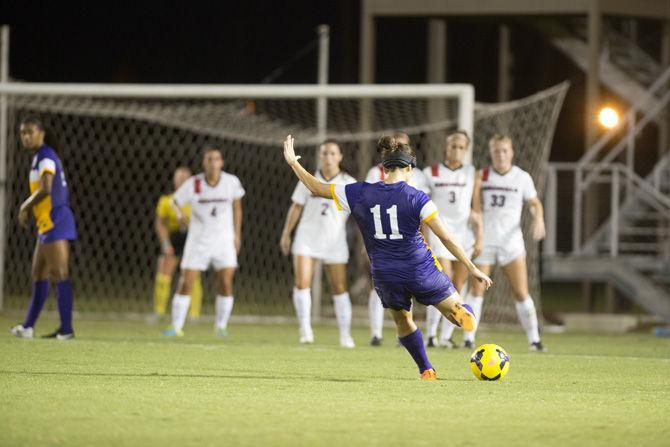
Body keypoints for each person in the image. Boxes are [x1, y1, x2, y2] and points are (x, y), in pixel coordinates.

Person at [283, 134, 492, 379]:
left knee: (403, 322)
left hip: (385, 273)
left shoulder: (359, 192)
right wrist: (471, 267)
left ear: (383, 169)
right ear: (409, 168)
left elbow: (316, 188)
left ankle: (425, 368)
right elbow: (445, 237)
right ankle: (459, 312)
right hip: (420, 268)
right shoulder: (417, 197)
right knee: (455, 308)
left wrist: (293, 163)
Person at [465, 134, 547, 352]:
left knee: (521, 292)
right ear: (491, 153)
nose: (500, 155)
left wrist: (538, 218)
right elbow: (473, 205)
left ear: (511, 152)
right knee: (476, 291)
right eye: (496, 151)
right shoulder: (481, 176)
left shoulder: (522, 177)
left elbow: (535, 203)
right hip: (485, 241)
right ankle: (468, 338)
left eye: (504, 151)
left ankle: (534, 340)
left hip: (511, 242)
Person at [280, 140, 357, 347]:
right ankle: (305, 330)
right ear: (319, 156)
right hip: (307, 238)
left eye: (333, 153)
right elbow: (296, 207)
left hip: (334, 241)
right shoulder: (308, 179)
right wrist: (286, 233)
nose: (328, 157)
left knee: (339, 288)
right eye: (324, 153)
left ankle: (345, 335)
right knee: (301, 283)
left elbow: (359, 214)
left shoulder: (348, 182)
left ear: (340, 156)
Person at [162, 147, 244, 337]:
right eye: (209, 159)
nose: (213, 162)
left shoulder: (231, 182)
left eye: (216, 159)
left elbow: (237, 209)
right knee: (186, 281)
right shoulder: (194, 183)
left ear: (222, 162)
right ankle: (176, 326)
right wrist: (180, 214)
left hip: (224, 241)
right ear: (203, 163)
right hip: (198, 241)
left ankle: (221, 326)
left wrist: (237, 235)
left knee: (225, 282)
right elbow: (175, 201)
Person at [10, 116, 77, 340]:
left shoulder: (46, 156)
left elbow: (47, 188)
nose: (26, 137)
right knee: (38, 272)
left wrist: (25, 206)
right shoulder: (40, 156)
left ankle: (66, 330)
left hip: (55, 220)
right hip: (46, 222)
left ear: (41, 133)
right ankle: (28, 327)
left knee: (59, 273)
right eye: (22, 133)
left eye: (30, 131)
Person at [364, 131, 430, 347]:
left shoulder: (417, 175)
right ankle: (376, 334)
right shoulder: (375, 173)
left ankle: (405, 336)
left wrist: (426, 240)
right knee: (378, 285)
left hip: (409, 243)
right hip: (382, 241)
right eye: (395, 145)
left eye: (403, 145)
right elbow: (365, 209)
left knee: (407, 289)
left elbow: (425, 213)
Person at [423, 130, 483, 348]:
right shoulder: (432, 172)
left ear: (466, 150)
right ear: (446, 148)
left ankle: (446, 336)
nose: (456, 150)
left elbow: (476, 208)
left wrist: (480, 237)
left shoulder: (471, 173)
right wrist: (425, 236)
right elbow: (423, 208)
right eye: (452, 146)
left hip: (463, 236)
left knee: (458, 286)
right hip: (440, 234)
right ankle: (430, 334)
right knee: (443, 282)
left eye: (461, 147)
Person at [152, 166, 203, 321]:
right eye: (179, 178)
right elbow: (160, 224)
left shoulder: (197, 199)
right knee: (164, 269)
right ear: (174, 181)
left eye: (186, 178)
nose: (183, 181)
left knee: (193, 275)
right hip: (174, 237)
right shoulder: (166, 201)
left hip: (192, 237)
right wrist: (166, 244)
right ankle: (159, 312)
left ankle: (194, 315)